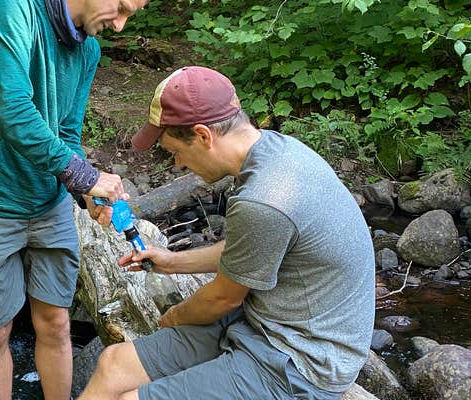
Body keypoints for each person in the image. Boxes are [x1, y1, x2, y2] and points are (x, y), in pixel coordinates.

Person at [78, 66, 375, 400]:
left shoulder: (265, 197)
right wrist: (171, 262)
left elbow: (222, 297)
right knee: (113, 364)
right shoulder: (276, 149)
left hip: (299, 361)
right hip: (260, 321)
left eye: (176, 152)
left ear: (204, 136)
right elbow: (247, 251)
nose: (178, 165)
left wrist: (173, 318)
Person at [0, 0, 148, 399]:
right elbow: (16, 114)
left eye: (131, 14)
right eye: (121, 7)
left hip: (50, 201)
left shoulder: (88, 48)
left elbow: (69, 131)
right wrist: (88, 176)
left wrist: (82, 191)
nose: (121, 25)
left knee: (56, 322)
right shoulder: (12, 12)